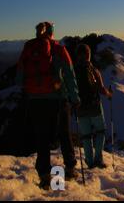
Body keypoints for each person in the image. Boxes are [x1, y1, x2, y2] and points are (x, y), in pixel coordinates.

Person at [16, 22, 81, 189]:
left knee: (42, 137)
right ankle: (71, 167)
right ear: (52, 33)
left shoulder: (29, 49)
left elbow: (19, 77)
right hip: (58, 100)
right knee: (64, 133)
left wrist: (31, 91)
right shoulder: (58, 49)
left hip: (35, 100)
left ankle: (45, 175)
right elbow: (69, 75)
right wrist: (75, 98)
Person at [74, 43, 112, 169]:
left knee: (86, 136)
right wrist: (109, 94)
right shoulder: (93, 70)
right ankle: (98, 160)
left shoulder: (73, 71)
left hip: (80, 108)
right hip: (94, 106)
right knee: (100, 131)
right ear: (88, 55)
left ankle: (89, 162)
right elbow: (101, 89)